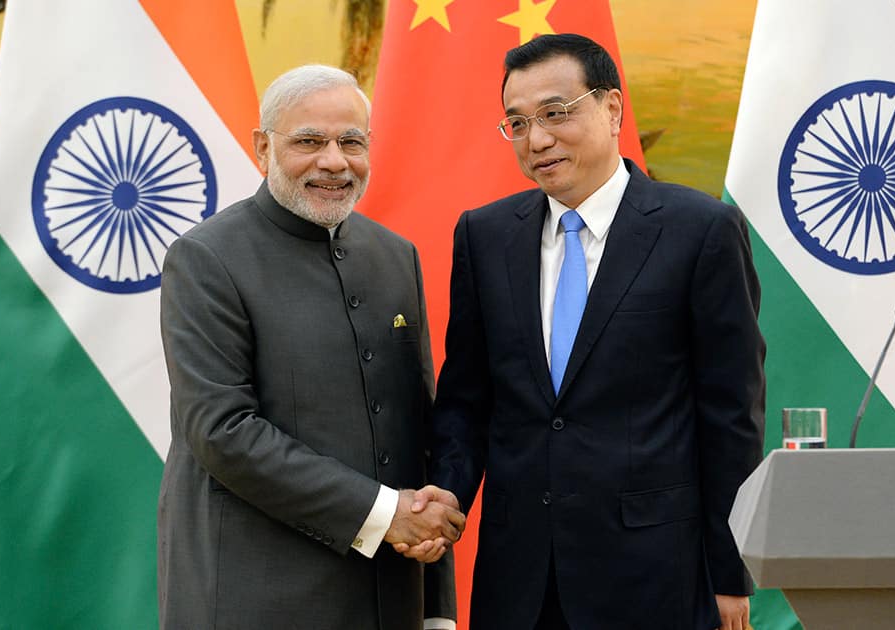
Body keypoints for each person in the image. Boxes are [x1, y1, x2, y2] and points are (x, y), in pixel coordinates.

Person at [406, 34, 766, 630]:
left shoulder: (700, 231)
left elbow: (732, 415)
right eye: (517, 124)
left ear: (613, 109)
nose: (537, 140)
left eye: (555, 113)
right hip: (518, 580)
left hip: (656, 576)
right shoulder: (484, 236)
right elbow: (467, 401)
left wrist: (729, 574)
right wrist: (447, 496)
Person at [157, 65, 463, 630]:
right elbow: (222, 431)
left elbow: (416, 431)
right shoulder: (206, 260)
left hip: (389, 600)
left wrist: (436, 609)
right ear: (262, 147)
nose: (334, 161)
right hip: (256, 599)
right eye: (309, 142)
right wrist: (382, 514)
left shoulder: (395, 256)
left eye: (351, 141)